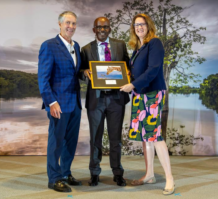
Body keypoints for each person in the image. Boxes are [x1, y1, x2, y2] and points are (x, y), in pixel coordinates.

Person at [120, 13, 175, 195]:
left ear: (149, 25)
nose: (139, 27)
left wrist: (132, 84)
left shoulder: (155, 43)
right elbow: (132, 70)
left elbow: (153, 70)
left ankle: (169, 179)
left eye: (142, 24)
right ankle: (150, 174)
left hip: (152, 94)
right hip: (139, 94)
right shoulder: (138, 48)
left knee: (155, 135)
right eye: (136, 25)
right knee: (146, 136)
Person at [80, 17, 130, 187]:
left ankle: (117, 172)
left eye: (106, 27)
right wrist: (85, 72)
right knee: (95, 138)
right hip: (96, 99)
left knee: (116, 139)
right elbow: (79, 72)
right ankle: (94, 173)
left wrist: (128, 75)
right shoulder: (86, 49)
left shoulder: (120, 45)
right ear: (94, 29)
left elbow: (127, 66)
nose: (102, 29)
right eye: (99, 27)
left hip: (117, 98)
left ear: (110, 29)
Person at [38, 11, 82, 192]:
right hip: (58, 104)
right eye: (68, 23)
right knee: (55, 142)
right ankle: (54, 178)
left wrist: (86, 73)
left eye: (74, 24)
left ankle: (65, 173)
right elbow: (43, 78)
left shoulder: (76, 46)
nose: (71, 26)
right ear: (60, 24)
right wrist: (51, 102)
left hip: (75, 103)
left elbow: (74, 72)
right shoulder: (49, 45)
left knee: (71, 142)